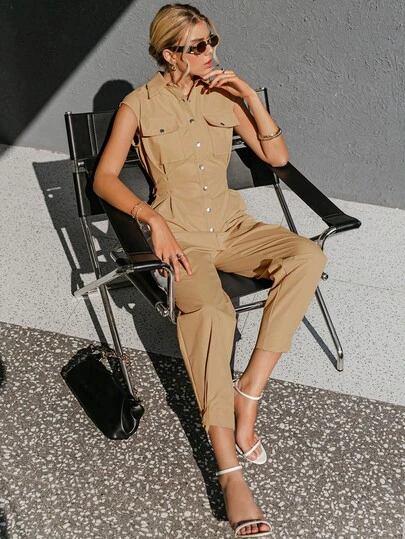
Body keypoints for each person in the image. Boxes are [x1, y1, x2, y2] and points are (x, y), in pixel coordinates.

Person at [94, 3, 327, 537]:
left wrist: (248, 96)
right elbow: (104, 178)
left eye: (212, 41)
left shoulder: (223, 93)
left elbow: (276, 157)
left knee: (307, 256)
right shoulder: (138, 105)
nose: (211, 52)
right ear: (170, 53)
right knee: (214, 313)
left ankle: (248, 392)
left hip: (233, 226)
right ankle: (229, 474)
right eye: (198, 46)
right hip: (182, 239)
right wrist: (151, 219)